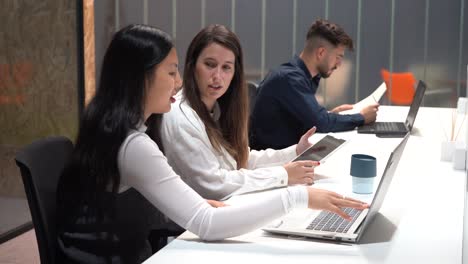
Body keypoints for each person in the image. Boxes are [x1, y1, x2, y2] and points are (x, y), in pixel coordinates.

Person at [56, 24, 368, 263]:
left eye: (227, 68)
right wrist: (297, 197)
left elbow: (161, 196)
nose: (178, 82)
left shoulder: (122, 128)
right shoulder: (135, 143)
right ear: (141, 78)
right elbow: (207, 223)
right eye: (171, 71)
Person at [158, 24, 319, 201]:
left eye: (226, 67)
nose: (217, 76)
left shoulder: (216, 109)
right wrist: (282, 175)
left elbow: (239, 160)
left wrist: (295, 151)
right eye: (210, 65)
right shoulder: (181, 116)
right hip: (189, 225)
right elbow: (213, 185)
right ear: (192, 65)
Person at [250, 19, 380, 150]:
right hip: (274, 162)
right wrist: (361, 117)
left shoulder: (305, 77)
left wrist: (330, 114)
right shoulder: (290, 79)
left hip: (290, 152)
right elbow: (321, 122)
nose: (339, 64)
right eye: (338, 57)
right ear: (321, 53)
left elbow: (309, 120)